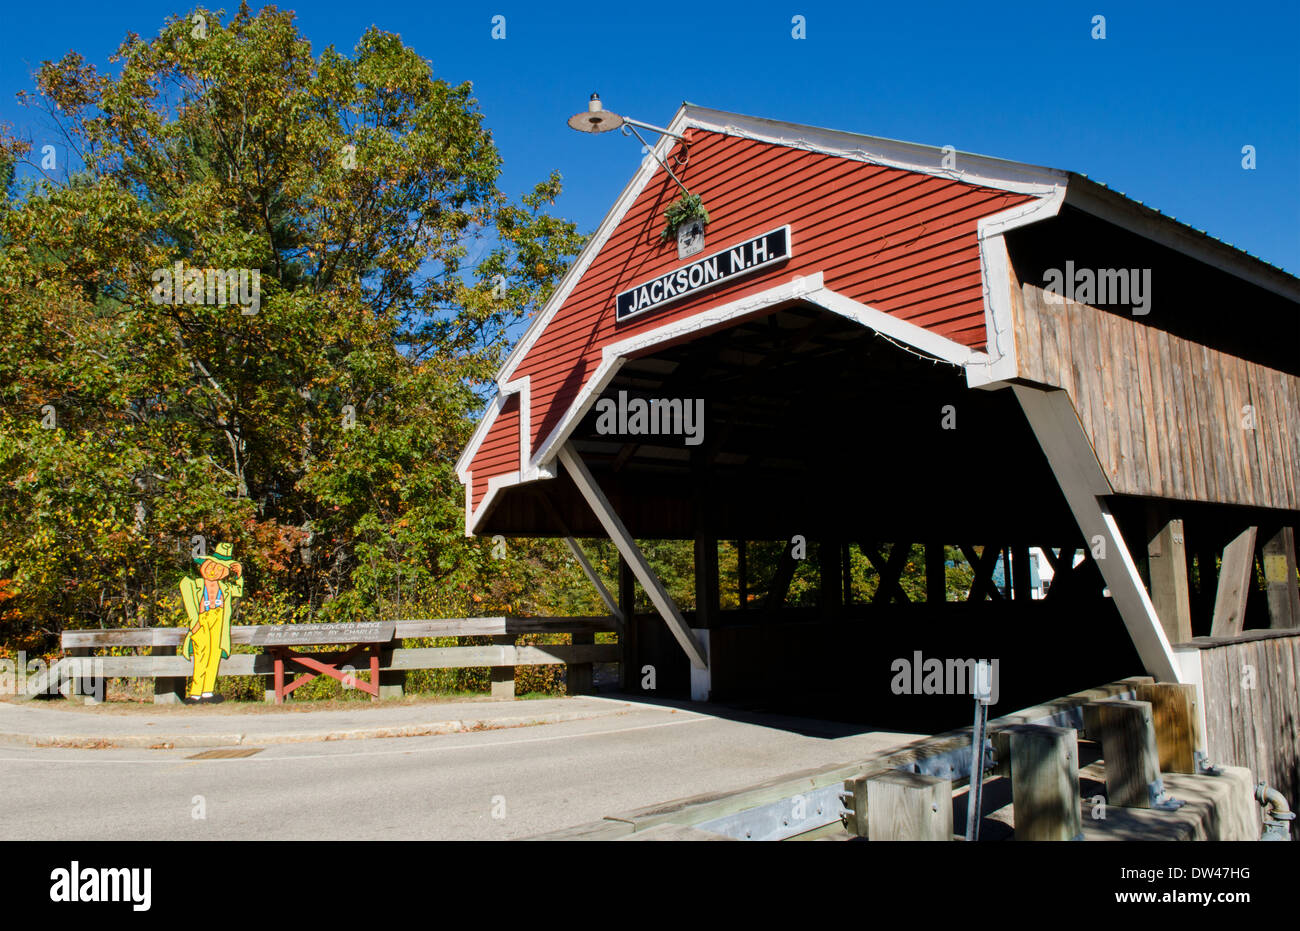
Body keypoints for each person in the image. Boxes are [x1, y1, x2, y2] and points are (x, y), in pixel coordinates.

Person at [179, 543, 243, 703]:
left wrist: (238, 576)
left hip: (219, 619)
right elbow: (186, 593)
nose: (214, 571)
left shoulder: (226, 587)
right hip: (202, 619)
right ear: (204, 565)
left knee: (214, 654)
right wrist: (195, 621)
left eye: (221, 568)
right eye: (212, 565)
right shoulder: (194, 584)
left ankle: (207, 691)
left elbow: (238, 590)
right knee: (201, 654)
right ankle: (195, 693)